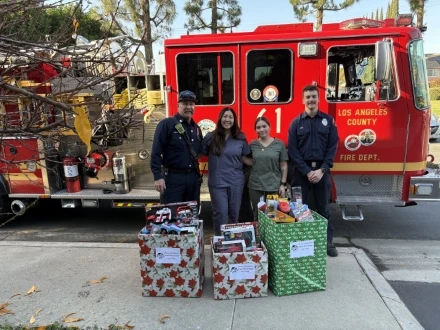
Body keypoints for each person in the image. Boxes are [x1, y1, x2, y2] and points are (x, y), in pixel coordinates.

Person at [288, 85, 339, 257]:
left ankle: (327, 243)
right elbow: (293, 151)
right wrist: (307, 171)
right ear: (303, 100)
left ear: (318, 99)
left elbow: (332, 147)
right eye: (308, 97)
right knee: (300, 209)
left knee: (323, 209)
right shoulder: (295, 123)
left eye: (314, 96)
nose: (311, 99)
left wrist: (322, 170)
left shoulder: (328, 121)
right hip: (301, 173)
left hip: (322, 172)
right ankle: (302, 244)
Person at [202, 107, 253, 235]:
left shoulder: (240, 137)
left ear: (234, 120)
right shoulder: (210, 137)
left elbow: (245, 158)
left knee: (234, 213)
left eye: (230, 117)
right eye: (225, 116)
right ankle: (219, 241)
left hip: (236, 181)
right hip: (217, 182)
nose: (227, 120)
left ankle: (231, 242)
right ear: (220, 118)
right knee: (221, 212)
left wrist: (266, 162)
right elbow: (198, 154)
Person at [150, 90, 203, 207]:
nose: (189, 107)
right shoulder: (166, 124)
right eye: (185, 104)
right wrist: (158, 177)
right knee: (172, 218)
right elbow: (156, 152)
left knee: (191, 217)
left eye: (191, 104)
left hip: (192, 179)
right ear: (178, 105)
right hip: (173, 179)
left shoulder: (196, 128)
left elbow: (200, 151)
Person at [248, 117, 288, 221]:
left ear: (269, 127)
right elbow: (249, 160)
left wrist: (283, 185)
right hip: (256, 185)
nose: (261, 129)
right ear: (255, 130)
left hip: (273, 185)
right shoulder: (253, 144)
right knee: (257, 214)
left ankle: (269, 237)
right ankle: (258, 236)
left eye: (264, 126)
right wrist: (246, 160)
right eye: (258, 127)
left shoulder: (279, 144)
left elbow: (283, 165)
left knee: (271, 215)